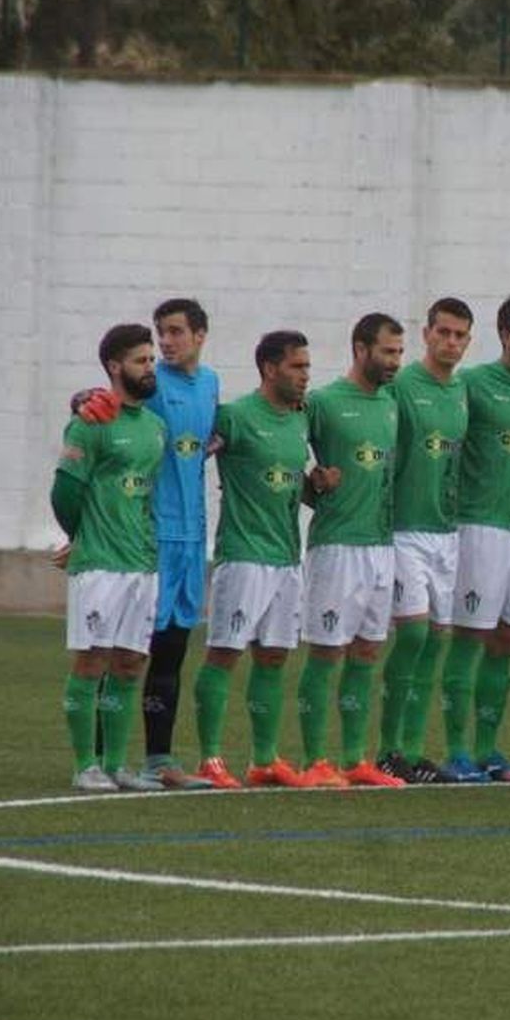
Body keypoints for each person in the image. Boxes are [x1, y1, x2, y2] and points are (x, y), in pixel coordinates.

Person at [189, 331, 312, 789]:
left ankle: (264, 759)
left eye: (307, 366)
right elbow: (188, 455)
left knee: (274, 657)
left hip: (286, 556)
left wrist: (319, 484)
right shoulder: (235, 418)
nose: (305, 375)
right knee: (224, 653)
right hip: (243, 555)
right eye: (296, 366)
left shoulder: (299, 420)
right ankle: (210, 759)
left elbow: (294, 482)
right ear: (269, 368)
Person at [50, 323, 167, 791]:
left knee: (130, 663)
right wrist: (81, 535)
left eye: (152, 359)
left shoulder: (155, 427)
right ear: (115, 366)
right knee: (91, 661)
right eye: (141, 360)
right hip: (100, 564)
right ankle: (86, 766)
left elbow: (143, 496)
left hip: (142, 564)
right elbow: (65, 491)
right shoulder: (91, 421)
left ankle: (117, 764)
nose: (150, 367)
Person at [441, 294, 510, 783]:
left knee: (507, 639)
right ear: (506, 335)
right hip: (478, 527)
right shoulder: (472, 384)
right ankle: (457, 751)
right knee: (470, 636)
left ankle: (488, 749)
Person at [295, 313, 407, 789]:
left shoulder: (390, 403)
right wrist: (312, 485)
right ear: (360, 349)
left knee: (367, 651)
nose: (395, 362)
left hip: (380, 546)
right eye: (387, 352)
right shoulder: (322, 403)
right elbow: (285, 452)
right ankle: (315, 760)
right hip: (337, 546)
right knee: (327, 651)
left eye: (399, 353)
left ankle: (356, 759)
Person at [375, 298, 473, 784]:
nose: (451, 342)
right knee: (411, 635)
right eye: (444, 332)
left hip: (445, 533)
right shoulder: (401, 386)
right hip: (404, 530)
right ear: (427, 334)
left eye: (460, 335)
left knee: (435, 639)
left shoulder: (461, 390)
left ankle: (412, 752)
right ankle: (386, 748)